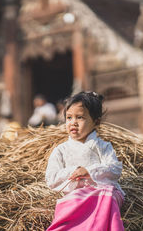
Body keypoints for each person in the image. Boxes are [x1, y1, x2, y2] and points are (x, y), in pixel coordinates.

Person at [45, 91, 125, 230]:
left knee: (108, 196)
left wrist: (89, 171)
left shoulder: (102, 146)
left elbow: (115, 169)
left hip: (102, 192)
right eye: (69, 118)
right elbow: (51, 178)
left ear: (96, 121)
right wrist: (73, 172)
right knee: (74, 200)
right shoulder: (61, 150)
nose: (73, 123)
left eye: (80, 117)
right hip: (75, 196)